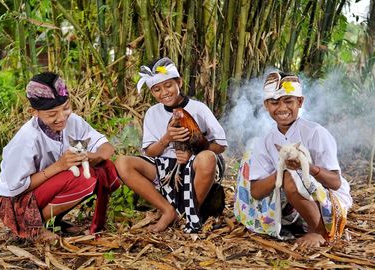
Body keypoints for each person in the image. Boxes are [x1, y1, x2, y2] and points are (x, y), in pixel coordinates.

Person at [0, 72, 121, 241]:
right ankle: (32, 227)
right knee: (82, 177)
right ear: (34, 112)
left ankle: (53, 221)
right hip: (15, 200)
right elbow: (17, 188)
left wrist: (93, 156)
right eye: (52, 114)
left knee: (106, 169)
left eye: (66, 108)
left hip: (45, 187)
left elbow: (106, 147)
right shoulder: (26, 138)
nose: (61, 118)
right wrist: (59, 166)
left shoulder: (73, 121)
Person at [233, 71, 352, 247]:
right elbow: (256, 192)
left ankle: (320, 231)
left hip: (327, 201)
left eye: (288, 101)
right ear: (266, 105)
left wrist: (307, 168)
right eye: (274, 102)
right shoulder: (265, 141)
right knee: (256, 161)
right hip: (292, 201)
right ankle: (299, 221)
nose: (281, 108)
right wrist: (282, 170)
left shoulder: (316, 132)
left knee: (292, 178)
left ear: (300, 102)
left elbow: (335, 183)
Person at [115, 57, 228, 233]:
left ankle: (187, 213)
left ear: (179, 82)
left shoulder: (199, 108)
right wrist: (166, 138)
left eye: (168, 85)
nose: (164, 92)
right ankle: (168, 211)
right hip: (165, 168)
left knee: (206, 158)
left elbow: (221, 145)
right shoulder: (153, 113)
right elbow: (151, 152)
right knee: (122, 162)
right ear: (152, 93)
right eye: (156, 89)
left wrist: (193, 154)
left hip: (196, 164)